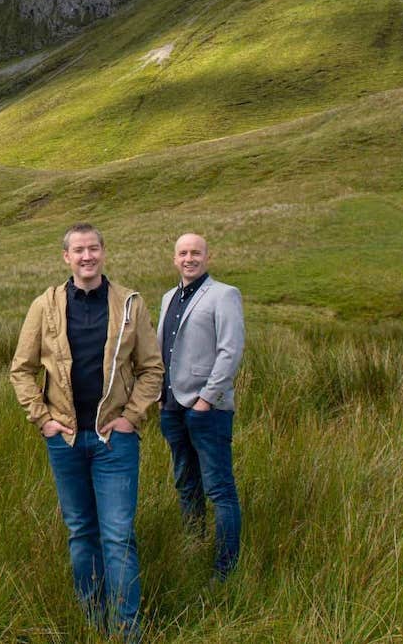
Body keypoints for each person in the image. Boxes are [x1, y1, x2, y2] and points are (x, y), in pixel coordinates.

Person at [9, 223, 163, 640]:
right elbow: (21, 370)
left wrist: (132, 417)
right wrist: (43, 420)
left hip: (115, 440)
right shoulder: (45, 305)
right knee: (81, 533)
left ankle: (126, 630)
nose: (86, 257)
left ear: (103, 252)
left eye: (93, 249)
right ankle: (92, 622)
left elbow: (152, 369)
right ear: (66, 257)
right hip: (66, 439)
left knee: (117, 537)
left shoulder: (130, 303)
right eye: (78, 250)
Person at [157, 233, 245, 580]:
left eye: (195, 253)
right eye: (183, 253)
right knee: (185, 484)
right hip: (172, 409)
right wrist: (161, 398)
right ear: (174, 259)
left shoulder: (224, 295)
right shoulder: (168, 298)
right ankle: (193, 550)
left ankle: (225, 570)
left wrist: (207, 400)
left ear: (208, 257)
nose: (189, 258)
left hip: (208, 410)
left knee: (220, 490)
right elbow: (165, 349)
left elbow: (230, 350)